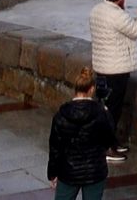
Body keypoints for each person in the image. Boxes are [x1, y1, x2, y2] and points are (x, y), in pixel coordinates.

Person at [88, 0, 137, 163]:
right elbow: (136, 30)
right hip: (115, 70)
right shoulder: (116, 15)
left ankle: (111, 142)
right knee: (111, 111)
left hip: (102, 67)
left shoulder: (96, 10)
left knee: (105, 107)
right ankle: (106, 148)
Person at [47, 66, 115, 199]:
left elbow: (55, 148)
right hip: (95, 172)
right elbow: (110, 140)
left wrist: (52, 173)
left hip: (68, 172)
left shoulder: (61, 115)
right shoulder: (101, 113)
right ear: (92, 89)